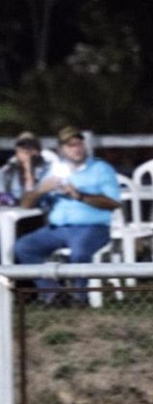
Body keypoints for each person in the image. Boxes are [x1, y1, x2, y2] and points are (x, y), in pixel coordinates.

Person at [15, 126, 121, 304]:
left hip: (92, 228)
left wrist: (79, 195)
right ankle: (53, 294)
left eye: (79, 144)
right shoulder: (54, 172)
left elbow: (113, 203)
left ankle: (80, 297)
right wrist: (41, 190)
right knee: (23, 247)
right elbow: (25, 205)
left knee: (79, 252)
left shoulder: (101, 168)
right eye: (70, 145)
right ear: (62, 150)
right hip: (57, 229)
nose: (76, 149)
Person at [0, 131, 53, 205]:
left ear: (38, 150)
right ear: (16, 151)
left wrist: (28, 167)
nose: (26, 149)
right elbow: (2, 196)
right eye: (22, 146)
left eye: (30, 146)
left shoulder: (48, 170)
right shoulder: (7, 171)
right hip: (14, 212)